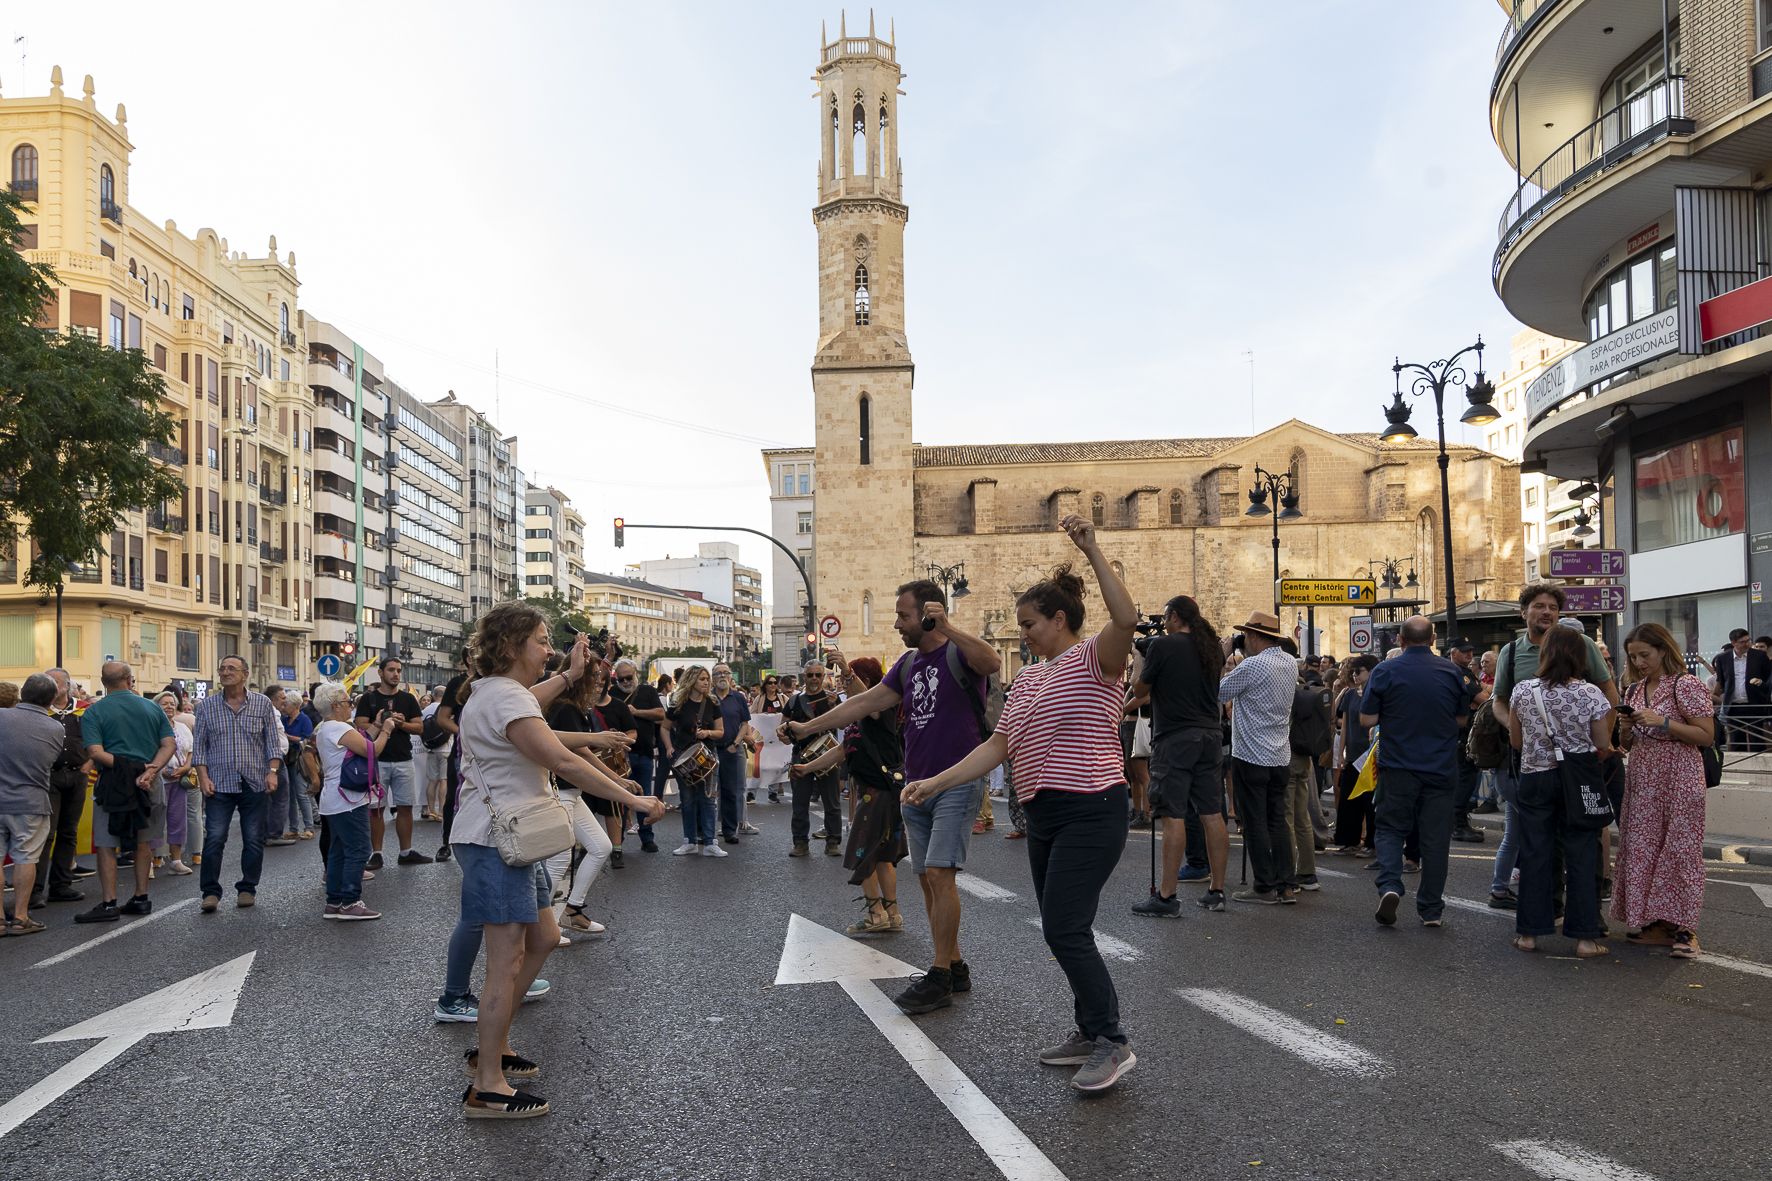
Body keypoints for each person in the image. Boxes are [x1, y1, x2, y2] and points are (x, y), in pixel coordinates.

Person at [900, 515, 1139, 1093]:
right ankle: (1088, 1029)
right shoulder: (1030, 680)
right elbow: (997, 746)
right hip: (1044, 815)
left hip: (1093, 806)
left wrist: (1092, 549)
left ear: (1060, 620)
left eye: (1030, 624)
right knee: (1064, 926)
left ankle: (1111, 1041)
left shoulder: (1094, 662)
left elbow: (1127, 619)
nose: (1024, 634)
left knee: (1064, 926)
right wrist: (934, 782)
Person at [450, 604, 662, 1119]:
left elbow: (531, 698)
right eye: (542, 641)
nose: (548, 649)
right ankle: (488, 1083)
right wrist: (632, 802)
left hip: (506, 839)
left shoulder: (498, 692)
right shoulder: (503, 698)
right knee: (506, 959)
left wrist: (568, 673)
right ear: (512, 646)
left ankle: (493, 1049)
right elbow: (563, 760)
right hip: (495, 841)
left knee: (543, 938)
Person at [783, 576, 1001, 1017]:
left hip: (957, 780)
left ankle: (938, 974)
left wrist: (951, 626)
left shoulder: (958, 653)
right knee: (925, 876)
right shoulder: (907, 664)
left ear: (928, 613)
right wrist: (808, 728)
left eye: (904, 615)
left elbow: (992, 661)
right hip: (916, 784)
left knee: (940, 874)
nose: (897, 623)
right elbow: (863, 705)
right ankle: (954, 963)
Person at [1488, 583, 1618, 915]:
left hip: (1581, 761)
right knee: (1544, 837)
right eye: (1539, 606)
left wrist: (1602, 746)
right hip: (1532, 761)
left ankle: (1574, 912)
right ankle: (1556, 909)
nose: (1547, 612)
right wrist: (1519, 729)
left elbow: (1610, 698)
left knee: (1579, 833)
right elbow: (1499, 703)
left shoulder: (1581, 644)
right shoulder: (1512, 653)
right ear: (1524, 612)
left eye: (1553, 608)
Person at [1504, 625, 1615, 957]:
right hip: (1577, 778)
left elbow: (1515, 740)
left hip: (1535, 777)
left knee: (1536, 853)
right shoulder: (1590, 694)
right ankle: (1584, 937)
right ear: (1579, 655)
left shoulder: (1523, 691)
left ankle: (1529, 934)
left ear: (1545, 653)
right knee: (1583, 852)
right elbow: (1600, 742)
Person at [1360, 616, 1473, 928]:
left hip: (1398, 765)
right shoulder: (1452, 672)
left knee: (1390, 828)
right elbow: (1462, 720)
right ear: (1433, 638)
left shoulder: (1385, 670)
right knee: (1435, 839)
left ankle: (1390, 885)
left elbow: (1367, 720)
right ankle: (1431, 909)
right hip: (1440, 767)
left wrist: (1395, 716)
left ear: (1400, 639)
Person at [1615, 622, 1715, 959]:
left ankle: (1685, 929)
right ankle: (1657, 923)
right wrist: (1626, 729)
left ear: (1663, 650)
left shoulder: (1685, 685)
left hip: (1680, 778)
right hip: (1643, 779)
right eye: (1633, 656)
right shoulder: (1632, 690)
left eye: (1645, 654)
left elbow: (1706, 736)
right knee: (1644, 849)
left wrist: (1664, 722)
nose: (1640, 661)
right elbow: (1626, 745)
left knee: (1680, 850)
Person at [792, 657, 908, 936]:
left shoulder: (881, 707)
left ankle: (875, 914)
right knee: (881, 855)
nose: (844, 684)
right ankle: (892, 913)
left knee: (862, 851)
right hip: (882, 790)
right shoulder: (863, 717)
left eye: (850, 680)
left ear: (866, 681)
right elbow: (844, 750)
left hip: (878, 792)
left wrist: (846, 669)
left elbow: (865, 698)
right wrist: (807, 767)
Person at [1131, 595, 1230, 917]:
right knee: (1211, 813)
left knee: (1173, 814)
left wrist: (1138, 658)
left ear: (1174, 617)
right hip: (1209, 735)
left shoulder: (1163, 647)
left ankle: (1166, 895)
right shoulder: (1211, 648)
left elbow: (1139, 689)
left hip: (1175, 738)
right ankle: (1217, 889)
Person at [76, 661, 176, 922]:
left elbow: (95, 752)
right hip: (149, 782)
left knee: (107, 843)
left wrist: (130, 767)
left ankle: (109, 903)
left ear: (103, 683)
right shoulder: (152, 708)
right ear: (130, 680)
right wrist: (150, 769)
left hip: (112, 783)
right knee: (144, 841)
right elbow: (169, 744)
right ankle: (141, 897)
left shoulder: (94, 712)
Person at [190, 656, 286, 914]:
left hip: (254, 781)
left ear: (245, 674)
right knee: (215, 839)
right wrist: (203, 776)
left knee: (253, 839)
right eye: (222, 668)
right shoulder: (206, 706)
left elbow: (272, 743)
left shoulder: (262, 703)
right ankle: (210, 892)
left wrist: (273, 771)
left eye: (231, 668)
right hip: (218, 783)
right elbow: (199, 747)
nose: (225, 672)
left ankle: (247, 888)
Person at [1217, 611, 1299, 905]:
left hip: (1251, 754)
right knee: (1277, 820)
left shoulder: (1252, 665)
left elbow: (1220, 691)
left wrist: (1223, 655)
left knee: (1254, 822)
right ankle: (1287, 884)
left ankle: (1263, 885)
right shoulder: (1290, 662)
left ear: (1253, 636)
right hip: (1279, 754)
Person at [313, 681, 397, 920]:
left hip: (334, 797)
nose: (350, 705)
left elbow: (360, 743)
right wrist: (387, 730)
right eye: (348, 701)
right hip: (347, 799)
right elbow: (373, 750)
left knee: (338, 850)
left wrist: (377, 725)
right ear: (335, 705)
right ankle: (350, 901)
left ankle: (334, 900)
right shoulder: (338, 728)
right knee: (359, 848)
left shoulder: (326, 728)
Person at [0, 674, 69, 935]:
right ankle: (20, 916)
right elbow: (50, 761)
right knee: (25, 857)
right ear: (52, 699)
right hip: (31, 800)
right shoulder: (54, 728)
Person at [355, 657, 430, 867]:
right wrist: (380, 723)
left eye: (398, 670)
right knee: (376, 808)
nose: (396, 674)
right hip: (376, 761)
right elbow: (360, 725)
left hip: (403, 759)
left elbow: (419, 727)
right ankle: (376, 853)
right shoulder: (368, 699)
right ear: (380, 673)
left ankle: (406, 852)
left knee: (405, 807)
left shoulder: (408, 699)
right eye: (391, 670)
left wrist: (400, 723)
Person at [32, 669, 92, 906]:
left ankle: (60, 885)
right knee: (46, 833)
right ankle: (35, 889)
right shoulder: (39, 710)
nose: (50, 686)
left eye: (54, 682)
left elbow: (98, 737)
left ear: (67, 685)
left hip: (77, 775)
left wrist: (90, 762)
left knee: (69, 832)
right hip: (49, 777)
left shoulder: (84, 709)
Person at [781, 661, 846, 857]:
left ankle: (833, 841)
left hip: (828, 756)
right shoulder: (793, 701)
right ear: (804, 677)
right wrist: (784, 734)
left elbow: (845, 724)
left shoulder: (832, 699)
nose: (815, 679)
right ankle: (800, 842)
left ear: (824, 677)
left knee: (832, 802)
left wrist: (836, 706)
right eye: (811, 675)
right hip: (801, 755)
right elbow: (783, 729)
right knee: (800, 803)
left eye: (818, 675)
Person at [1284, 664, 1334, 894]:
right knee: (1302, 817)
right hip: (1305, 757)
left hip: (1288, 755)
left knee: (1287, 817)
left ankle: (1287, 875)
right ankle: (1307, 872)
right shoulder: (1307, 691)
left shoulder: (1287, 693)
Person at [666, 666, 726, 856]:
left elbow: (721, 731)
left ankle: (710, 842)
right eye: (702, 679)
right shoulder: (678, 703)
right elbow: (664, 728)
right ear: (692, 680)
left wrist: (707, 732)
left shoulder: (712, 702)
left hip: (707, 756)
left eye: (707, 679)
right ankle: (689, 841)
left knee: (708, 799)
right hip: (684, 758)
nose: (706, 682)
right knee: (687, 799)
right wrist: (669, 748)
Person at [609, 658, 666, 853]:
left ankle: (647, 837)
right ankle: (619, 839)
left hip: (644, 753)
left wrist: (637, 712)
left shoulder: (647, 691)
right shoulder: (612, 694)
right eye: (621, 678)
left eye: (629, 677)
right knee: (620, 797)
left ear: (636, 675)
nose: (625, 682)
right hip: (619, 755)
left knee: (644, 795)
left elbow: (661, 714)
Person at [1330, 656, 1378, 855]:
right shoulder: (1350, 695)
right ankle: (1349, 839)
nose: (1355, 675)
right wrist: (1341, 752)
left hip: (1370, 754)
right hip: (1353, 754)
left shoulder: (1376, 693)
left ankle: (1371, 843)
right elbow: (1346, 725)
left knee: (1369, 801)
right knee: (1349, 798)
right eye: (1353, 672)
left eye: (1359, 671)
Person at [1447, 639, 1490, 844]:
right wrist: (1480, 696)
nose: (1469, 654)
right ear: (1453, 652)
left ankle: (1458, 822)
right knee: (1466, 779)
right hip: (1462, 734)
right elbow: (1483, 698)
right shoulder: (1458, 673)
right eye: (1464, 651)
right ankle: (1458, 825)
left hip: (1463, 733)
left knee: (1467, 778)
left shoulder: (1464, 672)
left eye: (1471, 650)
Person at [153, 691, 195, 875]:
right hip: (157, 779)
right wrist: (160, 769)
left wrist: (185, 767)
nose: (169, 706)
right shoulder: (151, 726)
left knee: (178, 820)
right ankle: (150, 862)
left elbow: (191, 751)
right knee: (155, 822)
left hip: (179, 780)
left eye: (171, 703)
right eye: (164, 703)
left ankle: (176, 860)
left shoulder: (182, 727)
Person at [268, 685, 317, 844]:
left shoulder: (304, 719)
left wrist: (288, 737)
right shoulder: (283, 718)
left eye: (287, 703)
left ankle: (309, 827)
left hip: (300, 759)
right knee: (289, 796)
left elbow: (307, 740)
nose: (284, 706)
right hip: (286, 759)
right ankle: (294, 828)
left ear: (295, 705)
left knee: (302, 793)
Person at [710, 663, 751, 844]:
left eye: (725, 673)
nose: (722, 676)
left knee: (730, 791)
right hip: (710, 749)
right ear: (713, 678)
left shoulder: (738, 698)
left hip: (730, 748)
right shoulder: (707, 698)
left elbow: (744, 723)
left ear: (730, 677)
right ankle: (707, 831)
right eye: (718, 673)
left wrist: (736, 743)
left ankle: (729, 830)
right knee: (709, 792)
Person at [1713, 627, 1770, 753]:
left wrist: (1760, 684)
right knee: (1736, 739)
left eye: (1748, 640)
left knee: (1757, 739)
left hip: (1754, 704)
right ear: (1733, 643)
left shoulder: (1759, 656)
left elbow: (1768, 678)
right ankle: (1738, 767)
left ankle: (1758, 767)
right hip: (1733, 706)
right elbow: (1722, 681)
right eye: (1743, 642)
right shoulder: (1723, 658)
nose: (1747, 644)